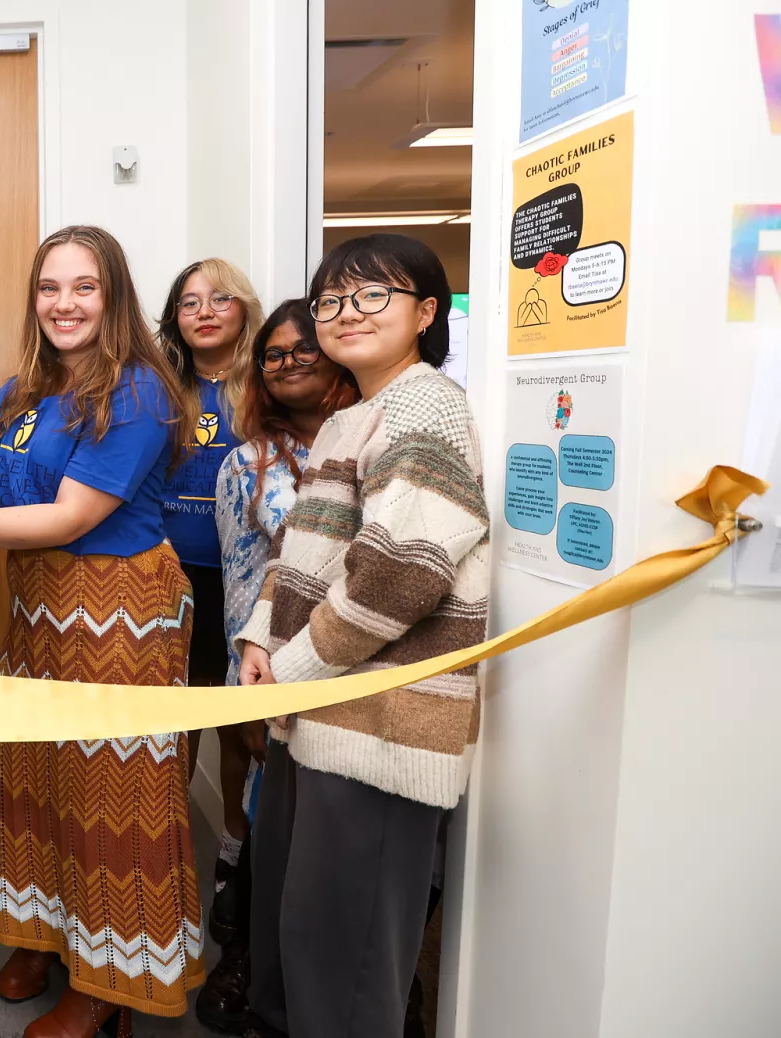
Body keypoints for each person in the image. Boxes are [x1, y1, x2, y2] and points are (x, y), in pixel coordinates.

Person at [0, 225, 202, 1038]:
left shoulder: (138, 389)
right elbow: (0, 476)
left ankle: (111, 980)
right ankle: (44, 932)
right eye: (49, 287)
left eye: (83, 287)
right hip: (40, 609)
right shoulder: (22, 391)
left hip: (121, 614)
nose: (62, 304)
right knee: (34, 777)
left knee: (114, 795)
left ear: (113, 299)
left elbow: (73, 513)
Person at [236, 234, 489, 1038]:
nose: (347, 313)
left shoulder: (426, 404)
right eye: (333, 301)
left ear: (426, 312)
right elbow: (302, 551)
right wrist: (256, 639)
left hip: (379, 725)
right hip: (315, 710)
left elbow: (402, 573)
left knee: (344, 974)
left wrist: (295, 667)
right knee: (299, 938)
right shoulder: (350, 417)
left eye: (374, 295)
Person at [191, 299, 358, 1035]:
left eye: (302, 352)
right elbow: (240, 583)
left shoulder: (373, 442)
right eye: (273, 356)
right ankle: (253, 962)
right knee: (273, 829)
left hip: (361, 674)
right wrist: (247, 700)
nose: (286, 365)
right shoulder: (243, 464)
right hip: (276, 680)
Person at [155, 258, 265, 948]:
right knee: (175, 714)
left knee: (237, 723)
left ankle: (233, 850)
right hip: (170, 574)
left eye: (219, 298)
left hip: (243, 581)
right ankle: (168, 848)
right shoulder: (159, 387)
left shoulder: (267, 383)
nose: (204, 311)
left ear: (243, 308)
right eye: (189, 302)